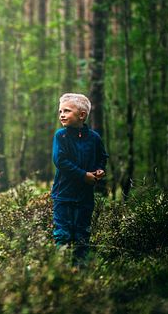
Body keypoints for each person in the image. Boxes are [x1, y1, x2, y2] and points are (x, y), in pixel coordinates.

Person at [50, 93, 108, 262]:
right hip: (63, 195)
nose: (61, 114)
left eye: (67, 111)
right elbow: (60, 161)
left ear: (82, 115)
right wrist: (84, 176)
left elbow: (102, 157)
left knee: (82, 234)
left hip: (85, 197)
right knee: (63, 234)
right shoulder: (61, 136)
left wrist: (100, 170)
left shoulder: (94, 138)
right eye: (60, 111)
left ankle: (80, 271)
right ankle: (61, 269)